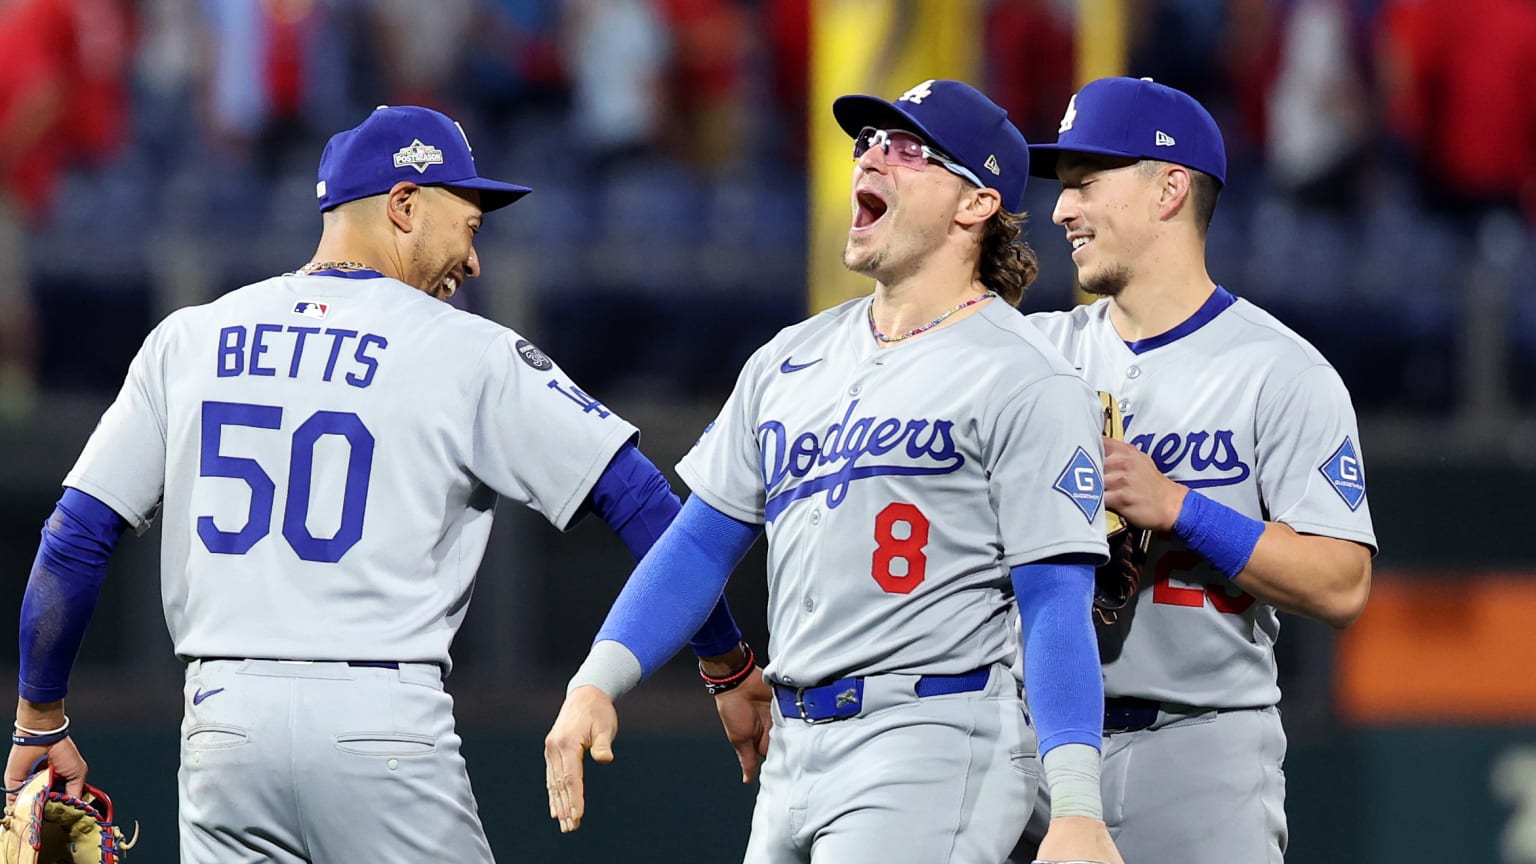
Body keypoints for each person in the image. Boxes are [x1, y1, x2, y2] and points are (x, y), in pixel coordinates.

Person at [5, 104, 745, 864]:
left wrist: (39, 714)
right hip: (380, 728)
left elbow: (74, 536)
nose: (474, 260)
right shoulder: (466, 350)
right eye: (470, 225)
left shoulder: (190, 338)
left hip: (224, 730)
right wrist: (726, 660)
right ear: (404, 204)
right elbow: (645, 500)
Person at [543, 79, 1124, 864]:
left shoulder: (1025, 376)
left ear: (975, 204)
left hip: (932, 735)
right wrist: (595, 681)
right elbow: (698, 543)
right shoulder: (789, 359)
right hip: (793, 750)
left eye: (907, 148)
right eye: (867, 143)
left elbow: (1056, 601)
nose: (872, 157)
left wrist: (1079, 806)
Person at [1011, 76, 1377, 863]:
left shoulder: (1277, 370)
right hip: (1041, 754)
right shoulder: (1036, 355)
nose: (1062, 210)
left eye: (1086, 185)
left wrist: (1180, 507)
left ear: (1170, 187)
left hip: (1203, 751)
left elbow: (1342, 582)